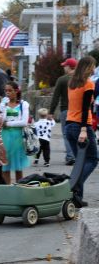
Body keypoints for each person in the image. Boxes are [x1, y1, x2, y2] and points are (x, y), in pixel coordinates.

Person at [65, 56, 98, 208]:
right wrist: (84, 129)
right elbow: (85, 109)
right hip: (81, 127)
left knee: (80, 161)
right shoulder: (88, 84)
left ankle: (77, 199)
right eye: (92, 66)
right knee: (92, 159)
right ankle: (75, 186)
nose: (94, 69)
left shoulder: (71, 83)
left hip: (69, 125)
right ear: (87, 67)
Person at [48, 58, 78, 165]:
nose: (64, 67)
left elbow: (55, 97)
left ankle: (71, 156)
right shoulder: (82, 79)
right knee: (79, 133)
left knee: (67, 134)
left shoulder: (62, 80)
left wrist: (51, 112)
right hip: (79, 110)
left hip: (66, 110)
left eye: (65, 66)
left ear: (69, 67)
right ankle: (79, 155)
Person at [0, 81, 30, 184]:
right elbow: (2, 120)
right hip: (5, 137)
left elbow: (24, 122)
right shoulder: (4, 104)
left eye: (10, 91)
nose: (7, 93)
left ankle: (19, 188)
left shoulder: (23, 104)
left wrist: (8, 124)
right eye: (6, 91)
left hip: (18, 137)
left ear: (16, 91)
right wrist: (3, 106)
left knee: (18, 166)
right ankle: (7, 190)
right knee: (5, 166)